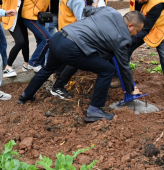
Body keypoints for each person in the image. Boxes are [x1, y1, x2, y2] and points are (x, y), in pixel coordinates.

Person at [17, 7, 145, 122]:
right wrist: (130, 88)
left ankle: (25, 96)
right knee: (107, 70)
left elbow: (87, 10)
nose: (136, 34)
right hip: (71, 47)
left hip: (59, 37)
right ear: (130, 25)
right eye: (137, 31)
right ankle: (94, 110)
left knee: (47, 68)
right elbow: (124, 66)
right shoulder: (123, 38)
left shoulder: (109, 11)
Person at [95, 0, 164, 108]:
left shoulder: (158, 3)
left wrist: (127, 41)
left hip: (159, 29)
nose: (139, 1)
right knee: (124, 50)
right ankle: (118, 76)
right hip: (140, 27)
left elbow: (146, 29)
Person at [50, 0, 98, 98]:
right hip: (73, 33)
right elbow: (82, 19)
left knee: (63, 58)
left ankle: (57, 77)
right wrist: (93, 8)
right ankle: (58, 86)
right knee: (77, 59)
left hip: (64, 28)